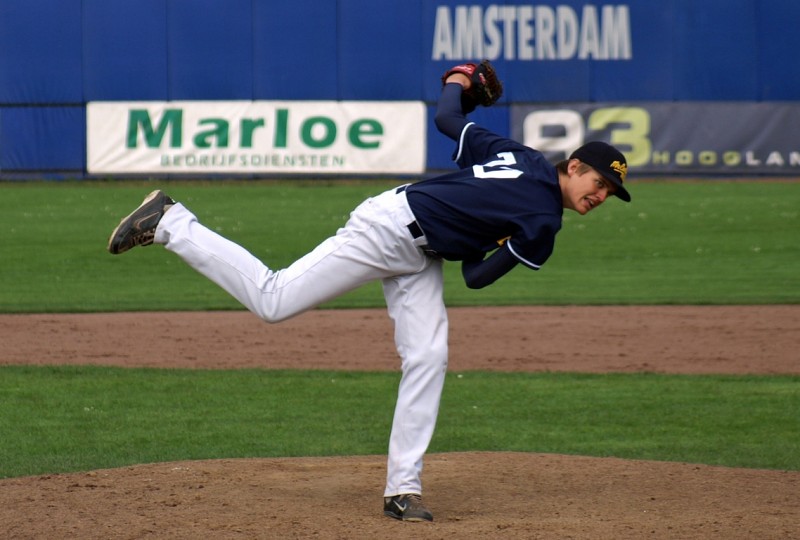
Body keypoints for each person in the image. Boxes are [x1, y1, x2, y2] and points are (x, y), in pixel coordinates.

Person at [107, 64, 631, 523]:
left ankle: (403, 490)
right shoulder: (542, 224)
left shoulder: (522, 157)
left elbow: (448, 119)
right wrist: (490, 236)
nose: (602, 196)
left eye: (610, 192)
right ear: (574, 166)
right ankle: (171, 222)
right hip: (388, 229)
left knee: (428, 356)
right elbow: (475, 276)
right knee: (274, 299)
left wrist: (458, 81)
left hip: (420, 252)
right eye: (600, 183)